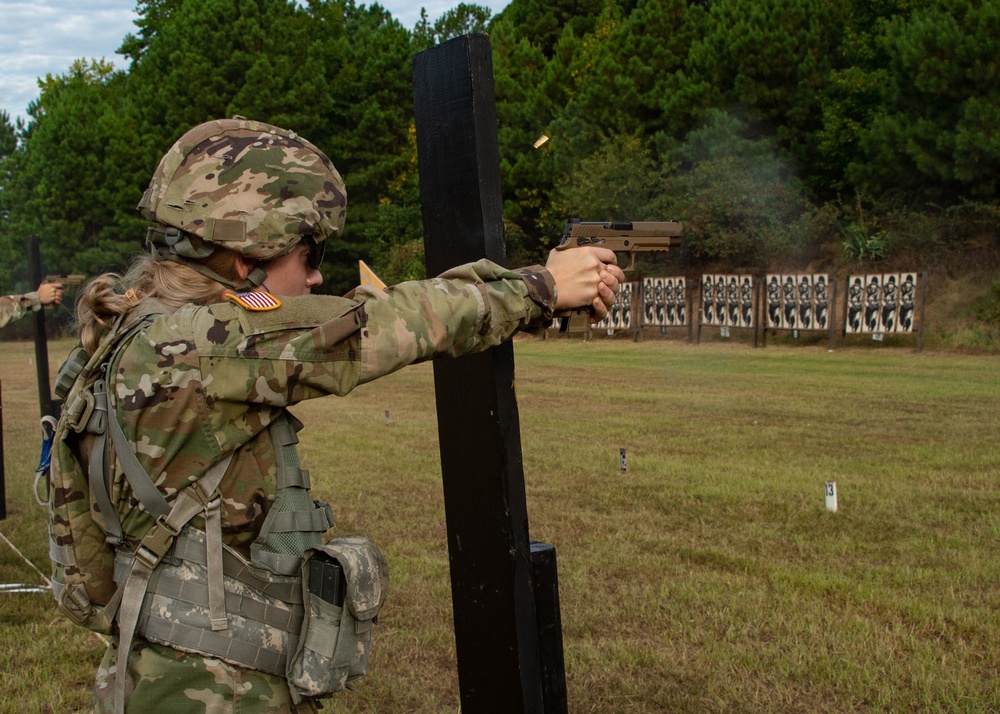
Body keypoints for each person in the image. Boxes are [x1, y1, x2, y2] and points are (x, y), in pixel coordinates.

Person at [51, 117, 624, 713]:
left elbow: (343, 318)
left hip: (165, 678)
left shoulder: (146, 337)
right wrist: (539, 287)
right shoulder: (202, 350)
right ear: (246, 259)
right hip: (211, 694)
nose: (318, 273)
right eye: (309, 252)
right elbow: (389, 325)